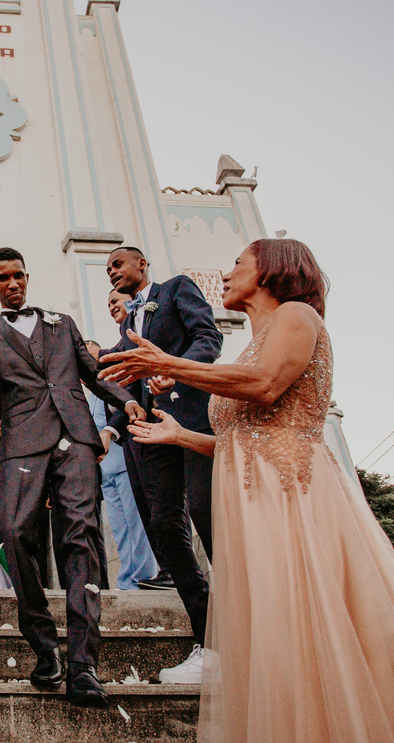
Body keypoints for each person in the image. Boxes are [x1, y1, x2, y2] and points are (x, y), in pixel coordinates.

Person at [102, 239, 394, 743]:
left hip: (294, 500)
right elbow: (242, 438)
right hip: (255, 507)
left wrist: (168, 365)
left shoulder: (296, 317)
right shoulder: (252, 343)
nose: (227, 271)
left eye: (238, 263)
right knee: (279, 638)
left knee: (316, 626)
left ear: (271, 270)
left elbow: (265, 384)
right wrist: (181, 436)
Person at [0, 247, 143, 709]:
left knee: (79, 538)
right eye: (4, 278)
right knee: (16, 534)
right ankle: (43, 644)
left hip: (76, 439)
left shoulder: (62, 323)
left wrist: (125, 400)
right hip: (21, 445)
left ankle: (83, 665)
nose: (13, 283)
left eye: (19, 275)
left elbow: (93, 371)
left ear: (27, 277)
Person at [103, 246, 222, 683]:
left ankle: (246, 626)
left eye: (118, 263)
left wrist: (178, 369)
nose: (112, 272)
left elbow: (208, 338)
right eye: (108, 269)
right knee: (164, 525)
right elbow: (123, 384)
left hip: (192, 420)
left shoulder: (175, 291)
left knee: (207, 518)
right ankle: (206, 637)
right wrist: (114, 425)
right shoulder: (126, 327)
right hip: (154, 434)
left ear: (142, 265)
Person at [84, 339, 159, 591]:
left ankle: (144, 576)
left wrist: (108, 432)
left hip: (127, 459)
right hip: (106, 469)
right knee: (120, 527)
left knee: (136, 523)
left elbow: (121, 410)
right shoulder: (86, 393)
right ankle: (127, 581)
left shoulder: (115, 380)